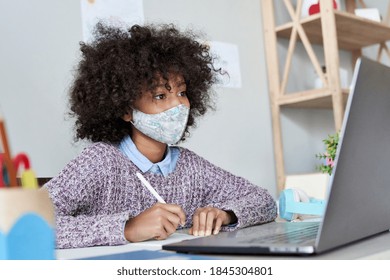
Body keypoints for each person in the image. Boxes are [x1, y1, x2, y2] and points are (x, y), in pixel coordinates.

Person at [44, 22, 277, 249]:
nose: (178, 105)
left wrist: (225, 214)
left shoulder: (192, 167)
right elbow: (22, 223)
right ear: (126, 110)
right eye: (160, 96)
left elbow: (264, 201)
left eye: (182, 92)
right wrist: (127, 228)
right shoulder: (99, 163)